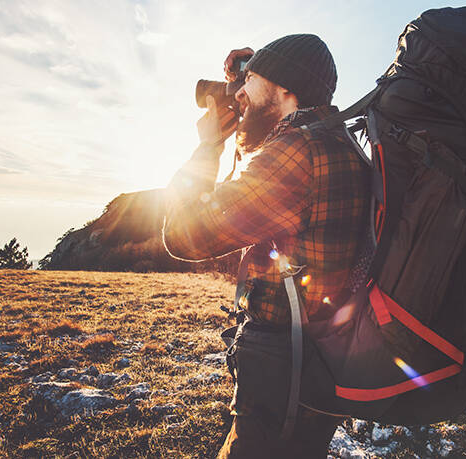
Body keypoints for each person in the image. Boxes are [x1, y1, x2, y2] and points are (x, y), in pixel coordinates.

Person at [162, 34, 369, 458]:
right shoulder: (339, 142)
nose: (238, 93)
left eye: (250, 81)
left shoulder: (297, 151)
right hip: (324, 354)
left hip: (282, 362)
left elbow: (185, 235)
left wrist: (208, 147)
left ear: (285, 89)